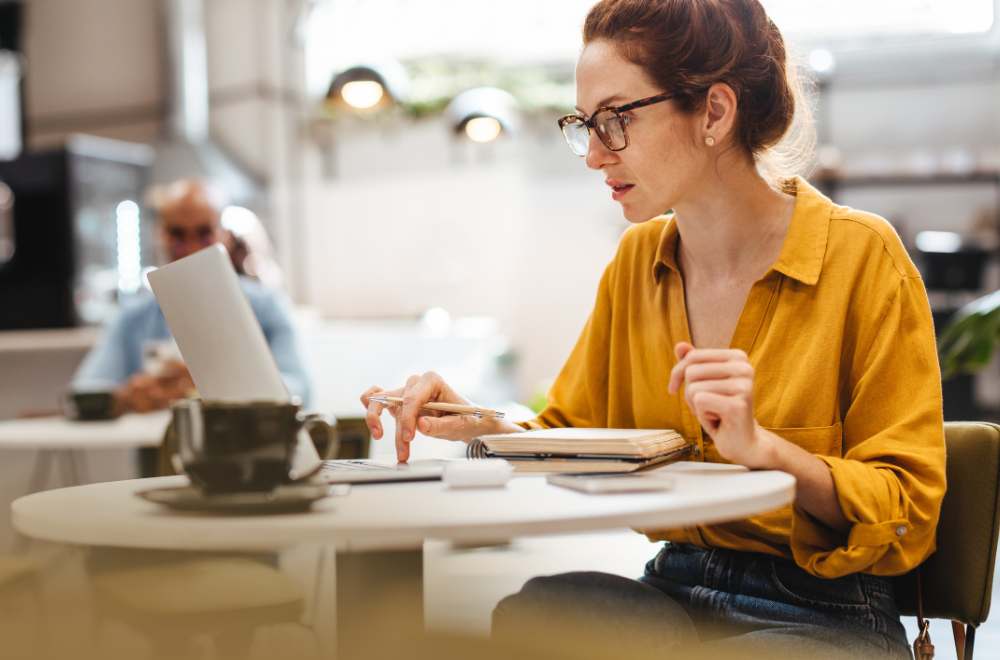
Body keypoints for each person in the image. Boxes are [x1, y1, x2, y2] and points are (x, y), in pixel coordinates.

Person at [361, 0, 945, 658]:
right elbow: (570, 436)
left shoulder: (863, 257)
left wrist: (768, 450)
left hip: (825, 606)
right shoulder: (638, 264)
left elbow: (908, 512)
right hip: (675, 587)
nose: (593, 155)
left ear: (715, 113)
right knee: (543, 611)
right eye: (585, 125)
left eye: (616, 119)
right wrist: (478, 422)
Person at [72, 179, 311, 413]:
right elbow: (82, 393)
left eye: (205, 233)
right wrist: (126, 397)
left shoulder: (267, 310)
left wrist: (221, 383)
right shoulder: (133, 320)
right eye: (177, 235)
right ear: (160, 235)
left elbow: (301, 390)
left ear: (225, 236)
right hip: (158, 449)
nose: (191, 247)